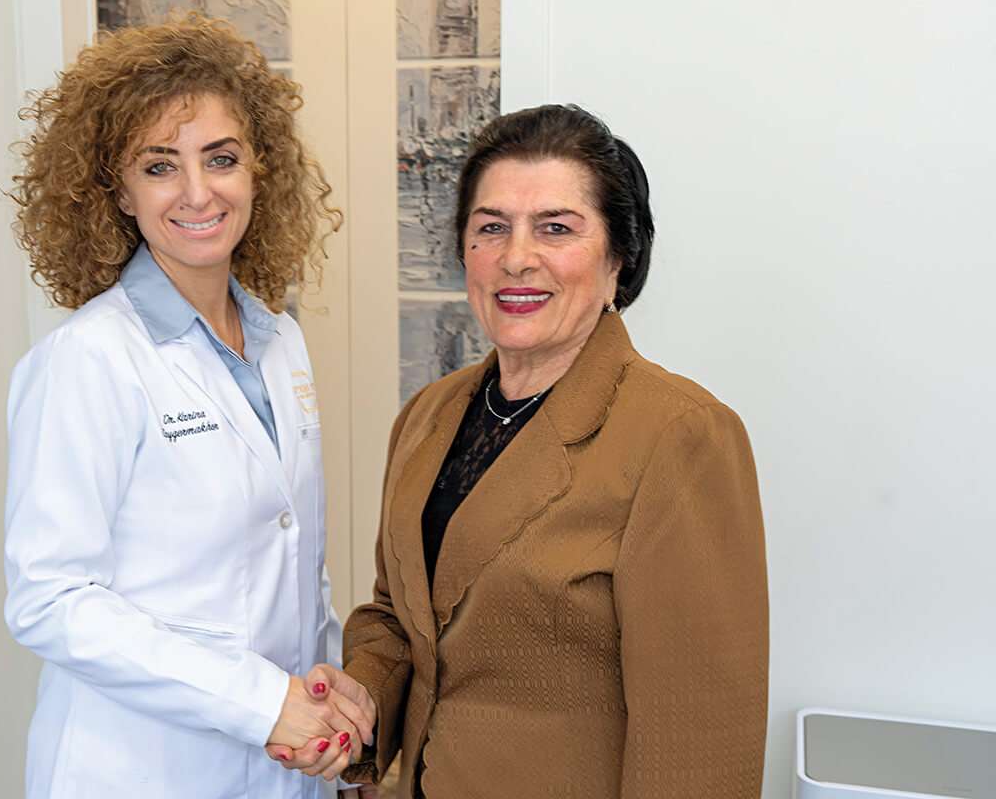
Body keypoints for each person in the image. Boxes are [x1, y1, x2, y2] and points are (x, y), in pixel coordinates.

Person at [274, 104, 769, 797]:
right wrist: (359, 703)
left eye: (556, 229)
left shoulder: (680, 435)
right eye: (491, 228)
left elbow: (701, 738)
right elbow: (400, 616)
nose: (515, 258)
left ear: (618, 259)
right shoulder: (428, 416)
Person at [3, 15, 373, 798]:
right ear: (118, 189)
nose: (199, 192)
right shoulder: (90, 360)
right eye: (161, 165)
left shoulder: (280, 342)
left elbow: (294, 565)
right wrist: (261, 701)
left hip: (282, 764)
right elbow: (51, 600)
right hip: (140, 769)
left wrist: (327, 705)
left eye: (222, 159)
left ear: (258, 171)